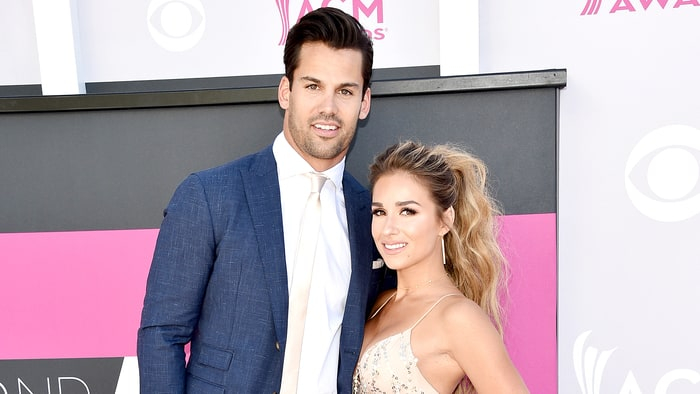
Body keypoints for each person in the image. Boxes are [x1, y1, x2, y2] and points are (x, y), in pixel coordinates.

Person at [137, 7, 387, 394]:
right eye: (313, 86)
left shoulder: (371, 215)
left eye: (345, 91)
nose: (329, 107)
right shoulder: (209, 195)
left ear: (364, 102)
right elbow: (162, 335)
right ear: (286, 92)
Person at [353, 141, 529, 393]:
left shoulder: (459, 317)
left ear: (444, 221)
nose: (388, 229)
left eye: (407, 211)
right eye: (379, 212)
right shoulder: (380, 302)